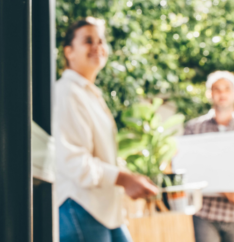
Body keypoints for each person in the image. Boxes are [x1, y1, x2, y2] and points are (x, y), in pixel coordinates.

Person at [54, 17, 158, 242]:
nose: (97, 46)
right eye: (88, 41)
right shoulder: (66, 93)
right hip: (79, 207)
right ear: (69, 52)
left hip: (104, 211)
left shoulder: (89, 93)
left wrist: (131, 177)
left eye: (101, 41)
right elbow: (73, 161)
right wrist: (123, 178)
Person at [184, 71, 234, 242]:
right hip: (205, 213)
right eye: (217, 89)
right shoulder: (194, 129)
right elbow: (187, 168)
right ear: (210, 94)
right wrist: (227, 190)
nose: (222, 93)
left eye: (227, 89)